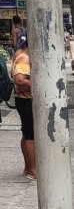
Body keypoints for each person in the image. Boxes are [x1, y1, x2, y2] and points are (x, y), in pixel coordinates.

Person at [12, 34, 36, 180]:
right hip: (25, 99)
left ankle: (28, 167)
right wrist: (37, 86)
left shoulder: (19, 54)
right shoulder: (24, 58)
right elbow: (20, 80)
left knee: (27, 133)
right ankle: (33, 170)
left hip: (23, 99)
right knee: (31, 135)